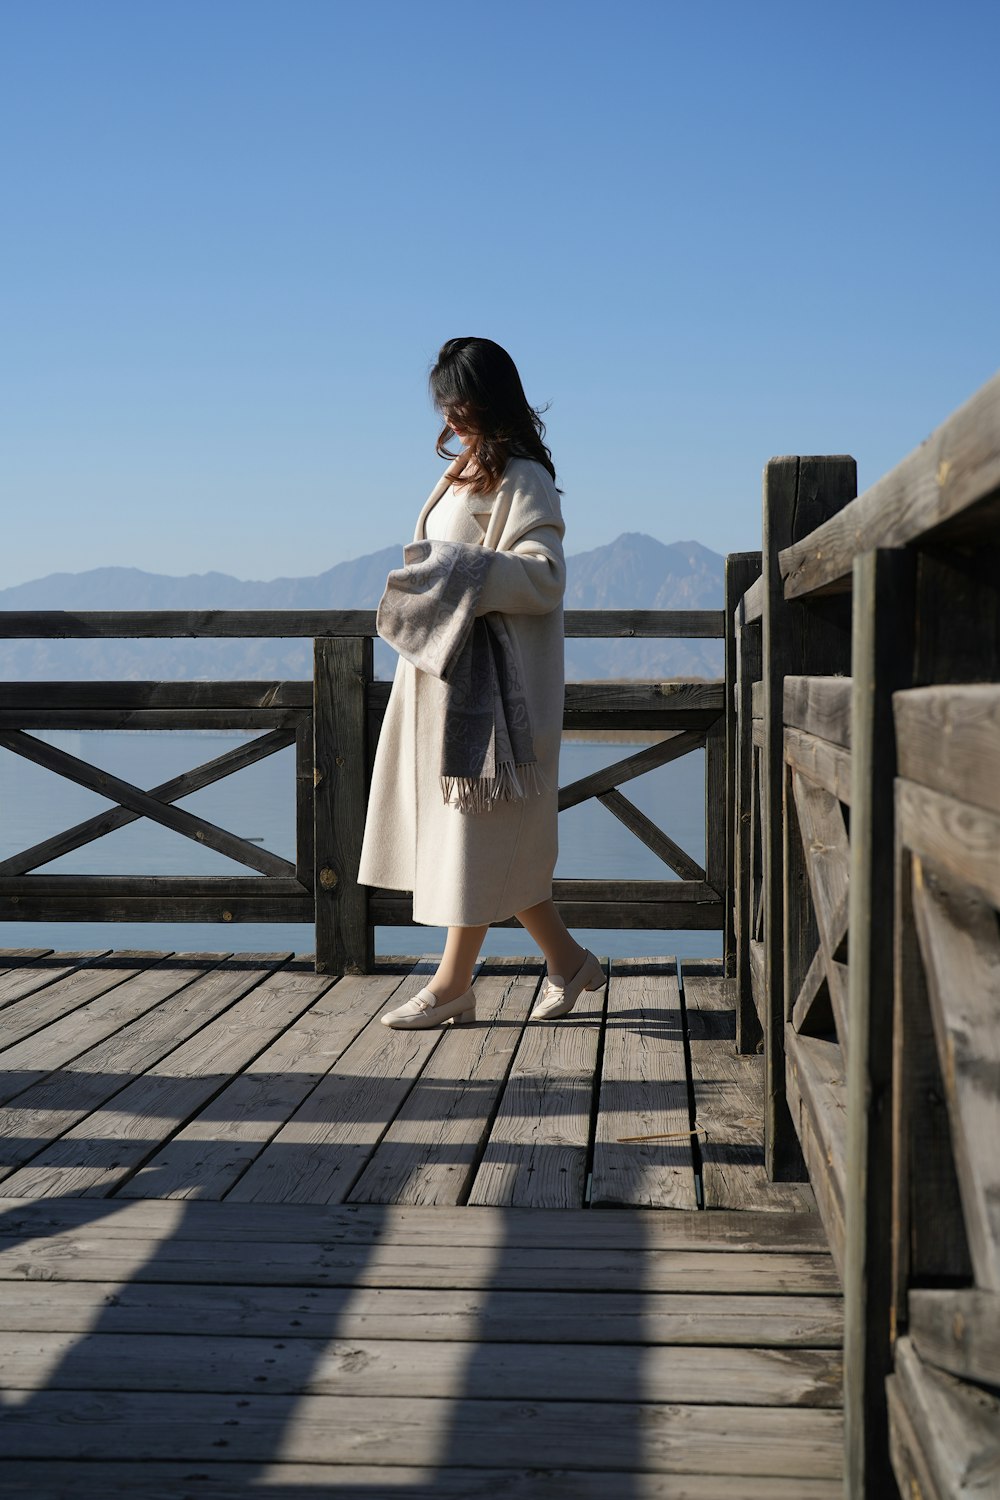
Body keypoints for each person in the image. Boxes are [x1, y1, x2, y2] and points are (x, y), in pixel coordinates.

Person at [356, 336, 605, 1029]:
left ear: (488, 400)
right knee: (490, 843)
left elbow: (546, 574)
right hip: (447, 687)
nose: (451, 419)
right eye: (445, 407)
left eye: (460, 405)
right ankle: (569, 963)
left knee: (476, 839)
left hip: (499, 699)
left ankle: (450, 986)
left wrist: (465, 570)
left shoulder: (523, 476)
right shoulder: (463, 469)